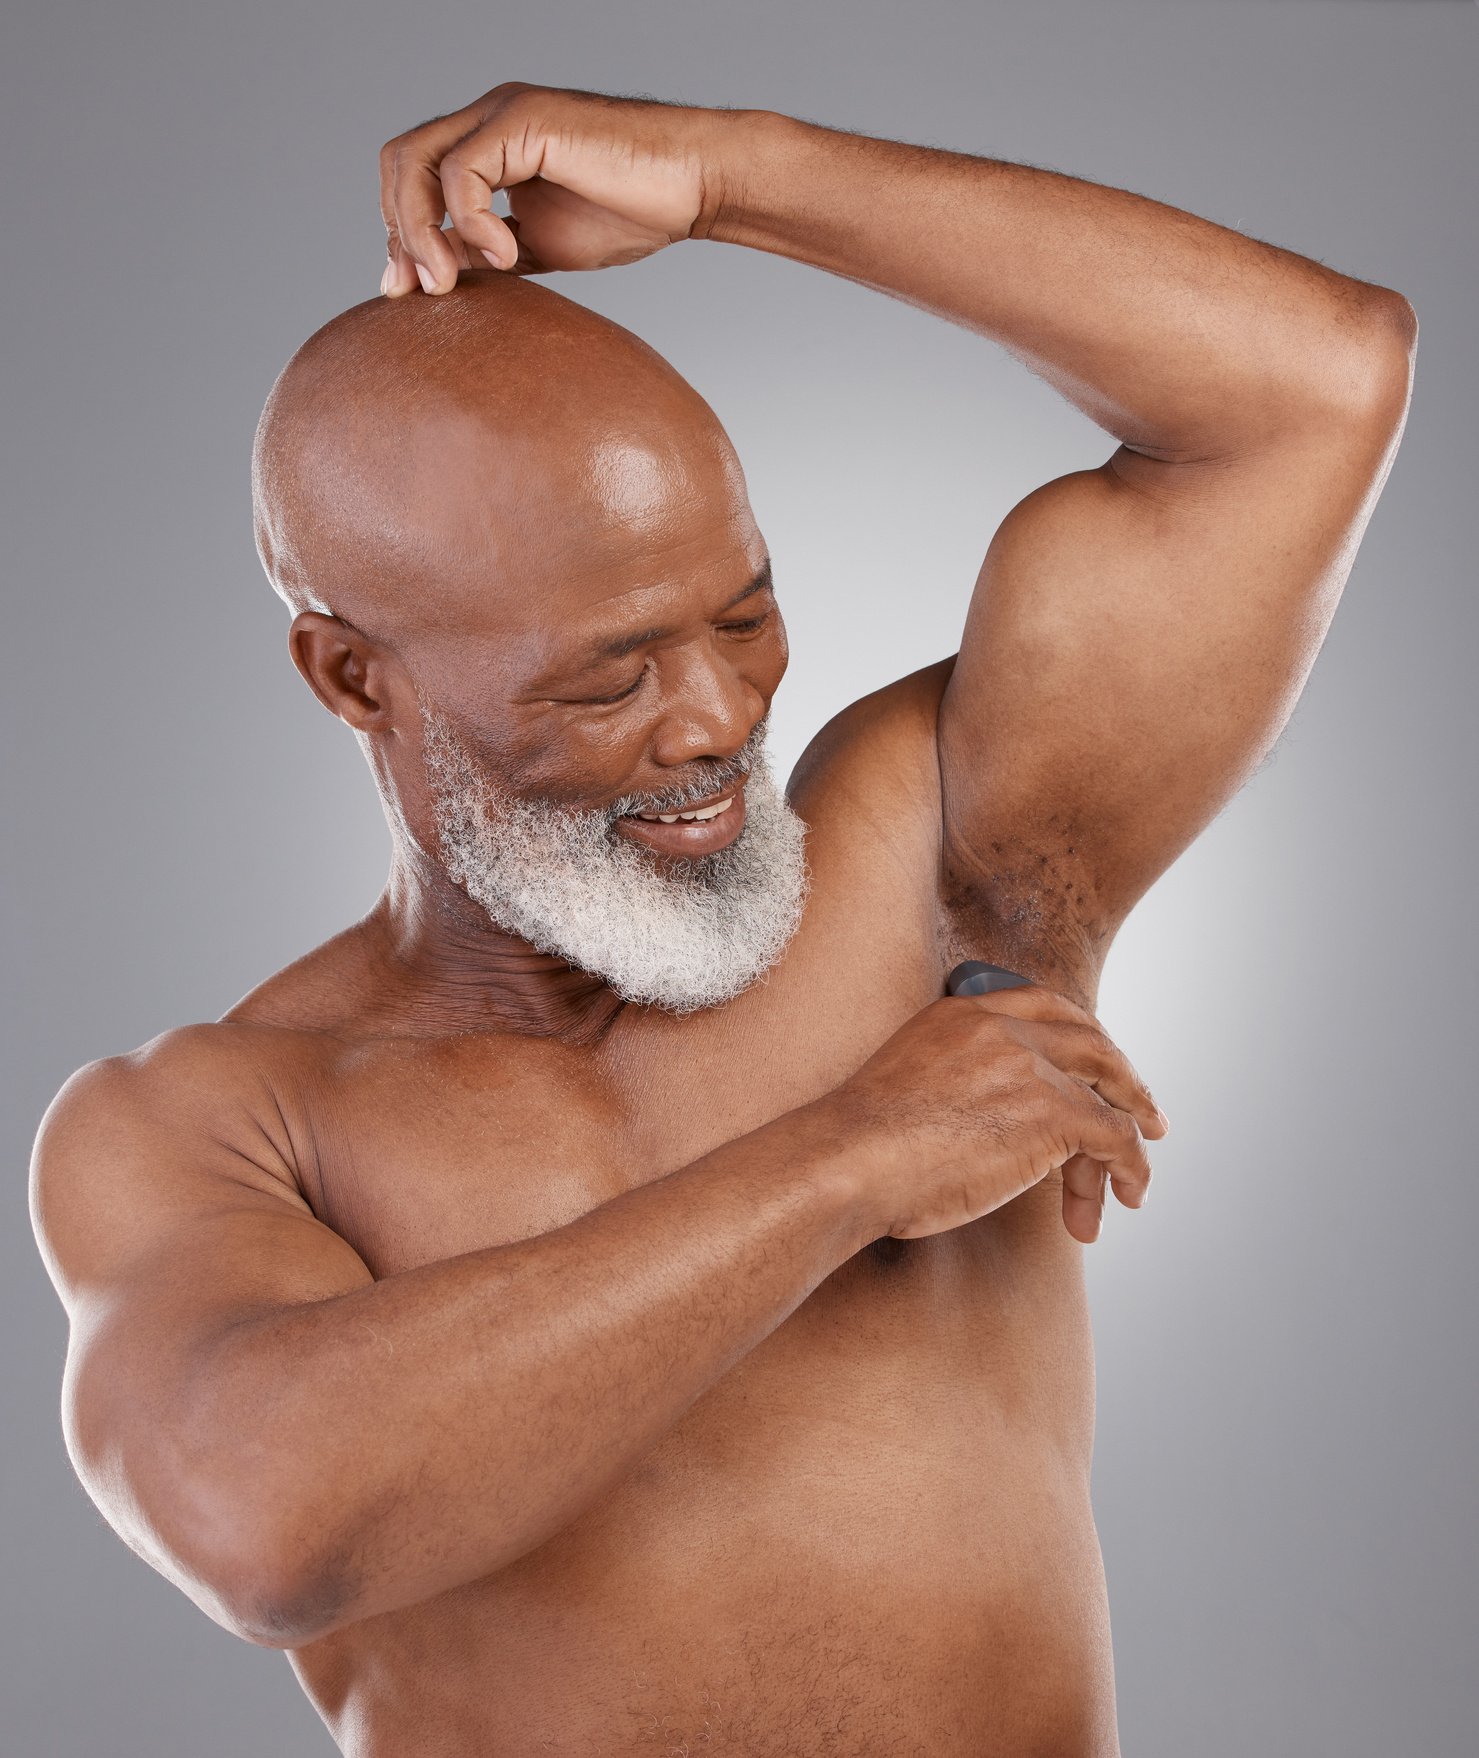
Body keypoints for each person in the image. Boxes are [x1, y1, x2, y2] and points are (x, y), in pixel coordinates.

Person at [29, 82, 1415, 1757]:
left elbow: (1312, 384)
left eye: (744, 616)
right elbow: (262, 1520)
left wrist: (727, 182)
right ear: (352, 676)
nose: (711, 721)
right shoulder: (223, 1120)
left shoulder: (924, 865)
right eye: (609, 674)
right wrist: (852, 1158)